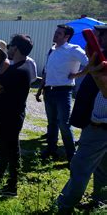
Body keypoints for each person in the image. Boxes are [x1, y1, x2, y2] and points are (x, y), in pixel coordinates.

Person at [57, 25, 107, 212]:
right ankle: (100, 203)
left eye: (102, 34)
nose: (99, 37)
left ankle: (64, 205)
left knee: (80, 167)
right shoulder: (100, 59)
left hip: (99, 126)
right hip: (99, 124)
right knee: (103, 167)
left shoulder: (103, 62)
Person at [0, 34, 33, 197]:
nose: (8, 49)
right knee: (4, 148)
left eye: (10, 46)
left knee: (12, 151)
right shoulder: (23, 66)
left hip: (10, 116)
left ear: (17, 48)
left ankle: (12, 186)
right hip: (10, 114)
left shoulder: (16, 70)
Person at [35, 24, 88, 162]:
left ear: (67, 37)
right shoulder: (52, 50)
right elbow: (46, 71)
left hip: (63, 91)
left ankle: (71, 155)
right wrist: (40, 89)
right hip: (49, 91)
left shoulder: (73, 49)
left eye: (59, 33)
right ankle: (51, 149)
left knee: (64, 124)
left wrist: (78, 74)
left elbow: (89, 62)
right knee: (51, 123)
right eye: (56, 32)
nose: (55, 35)